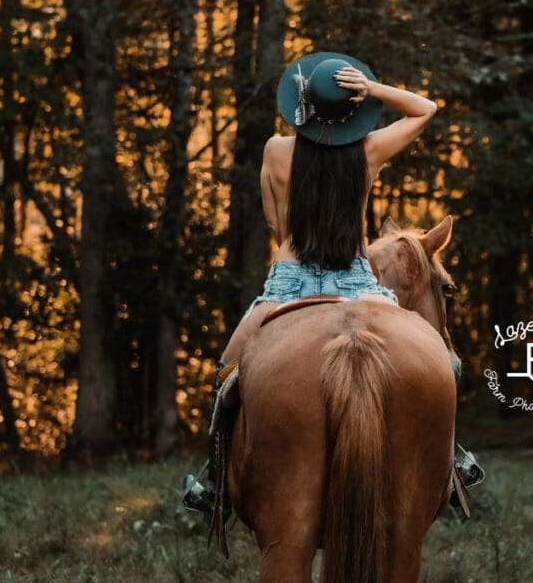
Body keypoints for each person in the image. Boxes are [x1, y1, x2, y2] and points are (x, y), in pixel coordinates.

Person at [183, 51, 481, 519]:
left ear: (301, 103)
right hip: (356, 283)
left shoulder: (275, 150)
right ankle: (451, 465)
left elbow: (277, 226)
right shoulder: (368, 151)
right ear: (353, 110)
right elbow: (426, 108)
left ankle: (215, 483)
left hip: (289, 282)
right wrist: (374, 89)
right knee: (441, 361)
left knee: (225, 375)